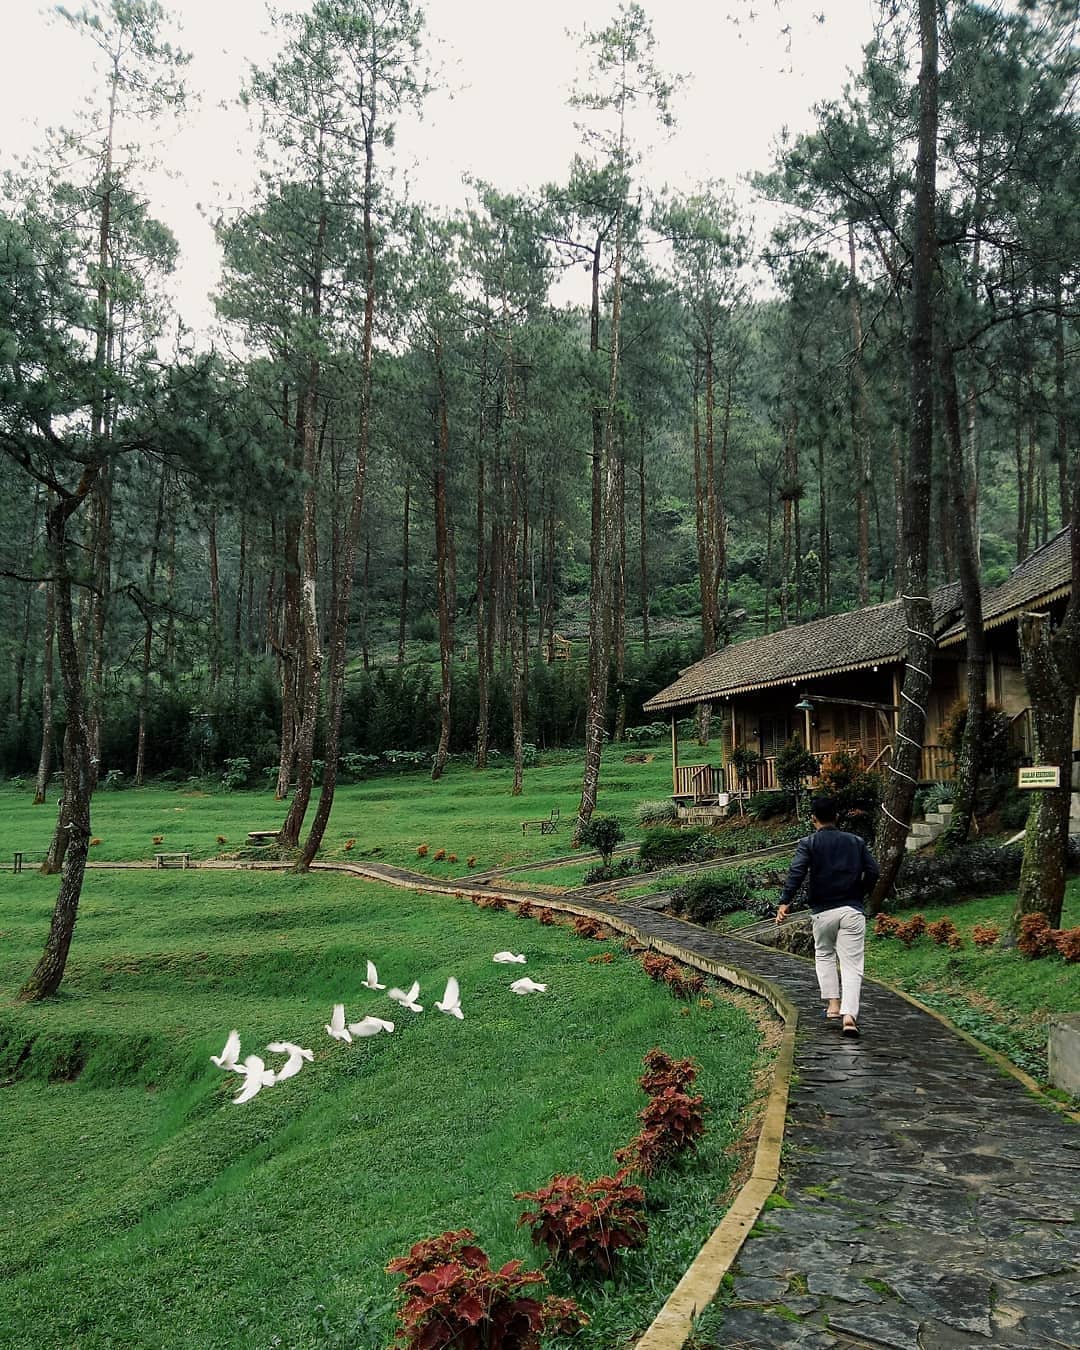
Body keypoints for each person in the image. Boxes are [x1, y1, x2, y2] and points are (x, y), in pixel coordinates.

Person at [775, 795, 879, 1037]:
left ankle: (833, 1004)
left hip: (822, 911)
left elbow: (797, 872)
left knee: (824, 954)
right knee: (852, 965)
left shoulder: (808, 843)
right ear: (837, 816)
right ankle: (849, 1017)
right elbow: (873, 871)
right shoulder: (856, 842)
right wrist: (860, 892)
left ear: (813, 818)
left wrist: (785, 901)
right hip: (851, 910)